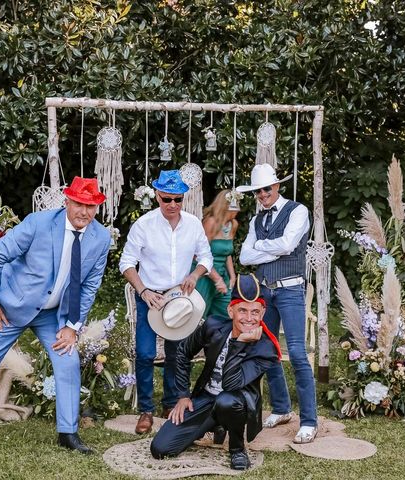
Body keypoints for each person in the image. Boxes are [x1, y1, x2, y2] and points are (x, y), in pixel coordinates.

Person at [0, 177, 111, 454]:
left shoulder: (101, 237)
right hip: (10, 309)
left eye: (91, 206)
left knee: (68, 361)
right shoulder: (38, 224)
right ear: (67, 201)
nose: (85, 212)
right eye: (80, 204)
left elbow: (90, 284)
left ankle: (68, 434)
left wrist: (72, 325)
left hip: (52, 315)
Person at [150, 274, 281, 470]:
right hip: (207, 398)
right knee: (160, 449)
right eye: (242, 310)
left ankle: (237, 449)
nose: (249, 318)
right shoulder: (213, 326)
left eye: (255, 312)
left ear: (262, 313)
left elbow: (231, 384)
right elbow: (183, 352)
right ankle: (214, 425)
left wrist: (239, 343)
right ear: (230, 311)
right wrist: (183, 395)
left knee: (226, 400)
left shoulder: (266, 349)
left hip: (238, 402)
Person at [119, 169, 213, 435]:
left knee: (176, 354)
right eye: (166, 199)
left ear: (184, 198)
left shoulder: (193, 224)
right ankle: (145, 409)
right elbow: (126, 263)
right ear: (157, 196)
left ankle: (171, 403)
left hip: (179, 298)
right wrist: (143, 291)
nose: (172, 205)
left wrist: (195, 274)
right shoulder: (144, 224)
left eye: (177, 199)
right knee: (146, 353)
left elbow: (205, 257)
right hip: (151, 297)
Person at [237, 163, 318, 444]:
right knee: (267, 350)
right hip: (265, 293)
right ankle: (282, 408)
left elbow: (287, 246)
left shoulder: (298, 211)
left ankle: (309, 420)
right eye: (258, 192)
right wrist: (267, 250)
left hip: (291, 289)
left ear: (277, 186)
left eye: (266, 189)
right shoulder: (256, 221)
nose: (262, 195)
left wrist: (261, 248)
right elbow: (245, 258)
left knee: (296, 353)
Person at [194, 189, 239, 320]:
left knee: (228, 313)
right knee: (198, 316)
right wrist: (216, 279)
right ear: (225, 206)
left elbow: (227, 253)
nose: (238, 209)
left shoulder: (233, 224)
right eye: (234, 205)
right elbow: (199, 255)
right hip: (204, 275)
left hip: (222, 274)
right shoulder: (210, 222)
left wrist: (232, 276)